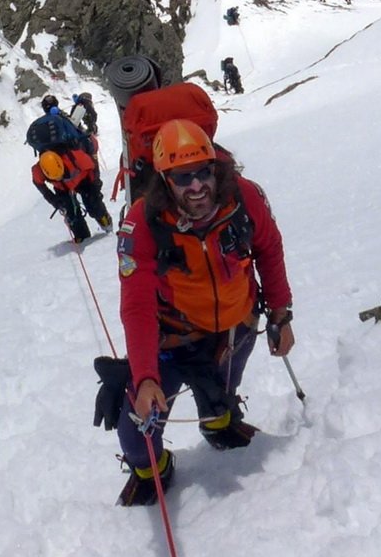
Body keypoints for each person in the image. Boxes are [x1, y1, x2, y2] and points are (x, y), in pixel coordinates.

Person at [112, 119, 294, 505]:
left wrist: (281, 313)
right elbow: (137, 304)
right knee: (137, 427)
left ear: (214, 166)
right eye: (182, 178)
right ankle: (151, 468)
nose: (196, 186)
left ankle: (220, 426)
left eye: (202, 172)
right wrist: (144, 377)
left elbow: (269, 250)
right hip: (172, 337)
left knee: (223, 393)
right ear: (164, 180)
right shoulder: (143, 225)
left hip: (235, 325)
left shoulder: (243, 198)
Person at [31, 148, 113, 242]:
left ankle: (106, 223)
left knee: (94, 206)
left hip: (84, 180)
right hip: (62, 189)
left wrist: (95, 183)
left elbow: (92, 165)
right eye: (55, 178)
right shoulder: (38, 170)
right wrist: (54, 200)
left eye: (60, 174)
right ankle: (82, 238)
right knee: (71, 215)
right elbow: (39, 184)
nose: (59, 178)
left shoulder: (75, 157)